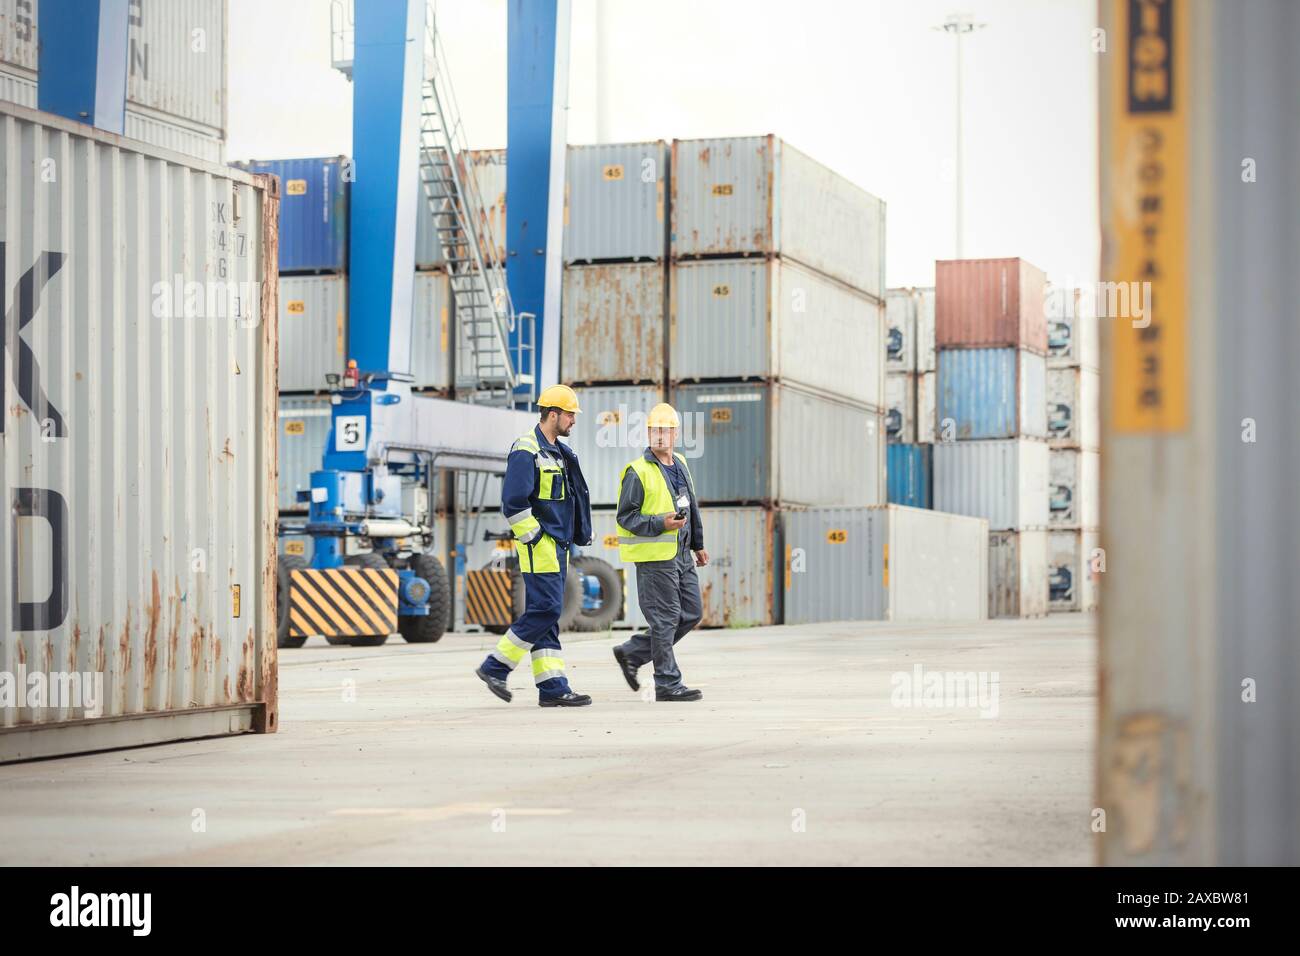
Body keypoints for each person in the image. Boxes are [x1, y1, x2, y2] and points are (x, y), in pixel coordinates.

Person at [475, 384, 594, 707]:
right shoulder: (526, 449)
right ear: (552, 414)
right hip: (540, 546)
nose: (573, 420)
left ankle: (552, 686)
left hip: (559, 546)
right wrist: (536, 539)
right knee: (547, 609)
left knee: (548, 616)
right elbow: (513, 504)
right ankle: (495, 666)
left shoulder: (560, 452)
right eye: (570, 414)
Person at [610, 402, 708, 702]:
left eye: (665, 430)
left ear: (675, 433)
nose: (660, 436)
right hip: (655, 557)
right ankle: (667, 682)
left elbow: (690, 505)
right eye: (655, 430)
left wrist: (698, 544)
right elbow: (626, 516)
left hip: (680, 554)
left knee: (691, 613)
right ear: (649, 433)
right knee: (665, 619)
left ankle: (632, 652)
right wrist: (660, 523)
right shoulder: (637, 471)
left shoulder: (679, 463)